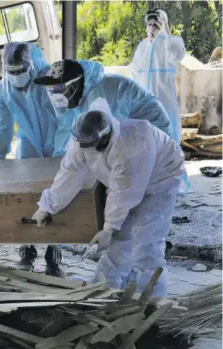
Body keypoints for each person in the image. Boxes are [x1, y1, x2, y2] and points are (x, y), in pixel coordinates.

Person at [31, 99, 184, 298]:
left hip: (161, 178)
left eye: (91, 146)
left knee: (147, 243)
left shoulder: (133, 144)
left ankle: (151, 300)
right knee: (119, 241)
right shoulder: (82, 138)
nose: (86, 150)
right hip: (128, 181)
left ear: (105, 137)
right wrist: (48, 205)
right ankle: (102, 292)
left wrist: (108, 228)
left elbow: (124, 192)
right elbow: (70, 172)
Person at [0, 42, 64, 276]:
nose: (17, 76)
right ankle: (27, 250)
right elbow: (0, 130)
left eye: (21, 70)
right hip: (29, 146)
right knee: (25, 197)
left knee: (58, 197)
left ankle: (54, 255)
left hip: (56, 143)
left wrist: (63, 150)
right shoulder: (4, 89)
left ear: (30, 65)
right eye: (11, 71)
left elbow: (65, 116)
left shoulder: (50, 78)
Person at [34, 59, 173, 156]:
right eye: (50, 89)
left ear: (75, 85)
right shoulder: (81, 95)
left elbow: (107, 140)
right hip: (134, 134)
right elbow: (67, 134)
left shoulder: (103, 95)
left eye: (58, 88)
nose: (54, 94)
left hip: (155, 136)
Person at [132, 9, 190, 192]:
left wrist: (163, 35)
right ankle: (149, 183)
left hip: (165, 100)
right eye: (149, 24)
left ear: (163, 25)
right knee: (147, 142)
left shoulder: (172, 43)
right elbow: (136, 72)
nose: (151, 28)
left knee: (169, 138)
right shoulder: (143, 46)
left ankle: (172, 183)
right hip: (146, 102)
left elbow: (179, 53)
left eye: (156, 24)